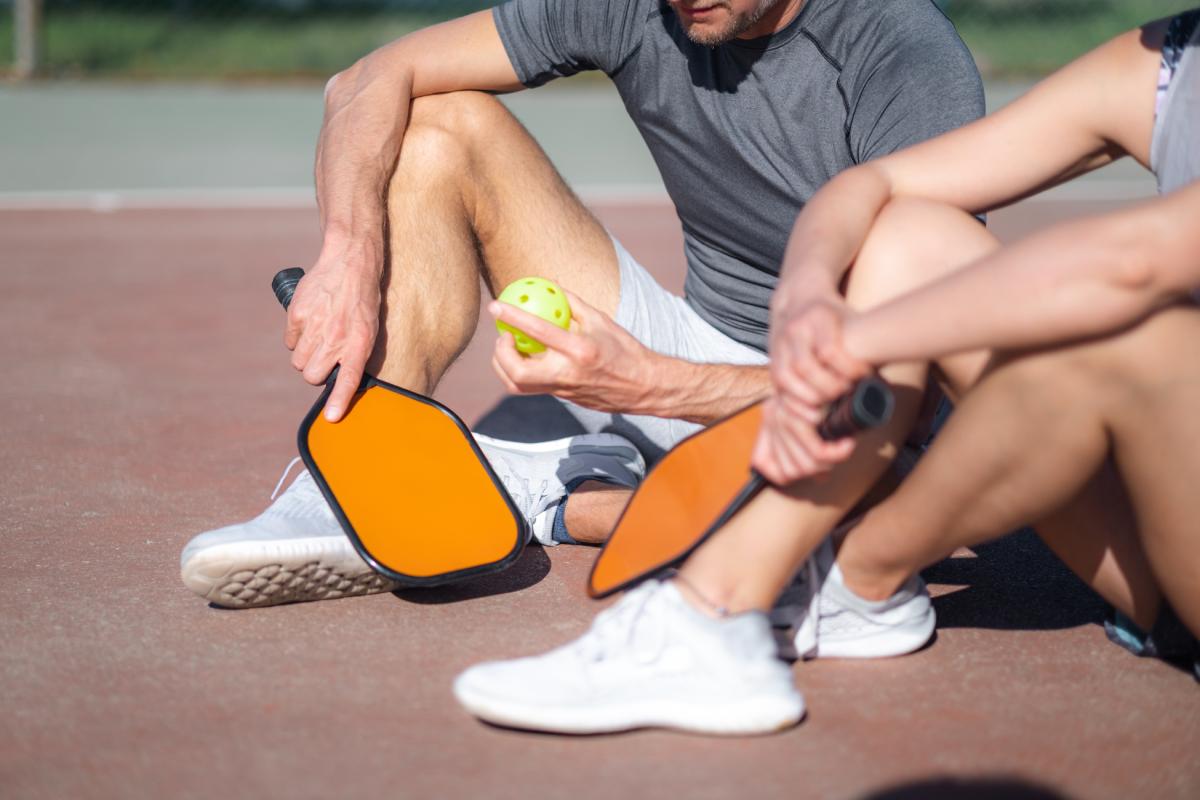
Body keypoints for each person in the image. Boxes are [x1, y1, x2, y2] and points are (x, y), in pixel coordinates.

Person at [453, 9, 1200, 735]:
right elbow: (866, 190)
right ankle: (858, 584)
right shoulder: (1165, 64)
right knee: (908, 235)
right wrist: (809, 297)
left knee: (1142, 341)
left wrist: (859, 340)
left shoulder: (898, 40)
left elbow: (1128, 266)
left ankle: (712, 605)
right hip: (1164, 540)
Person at [179, 0, 983, 608]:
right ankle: (370, 465)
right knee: (438, 126)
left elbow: (908, 393)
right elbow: (365, 79)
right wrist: (350, 255)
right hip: (696, 342)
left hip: (847, 401)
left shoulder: (902, 52)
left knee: (904, 494)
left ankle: (559, 497)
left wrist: (649, 384)